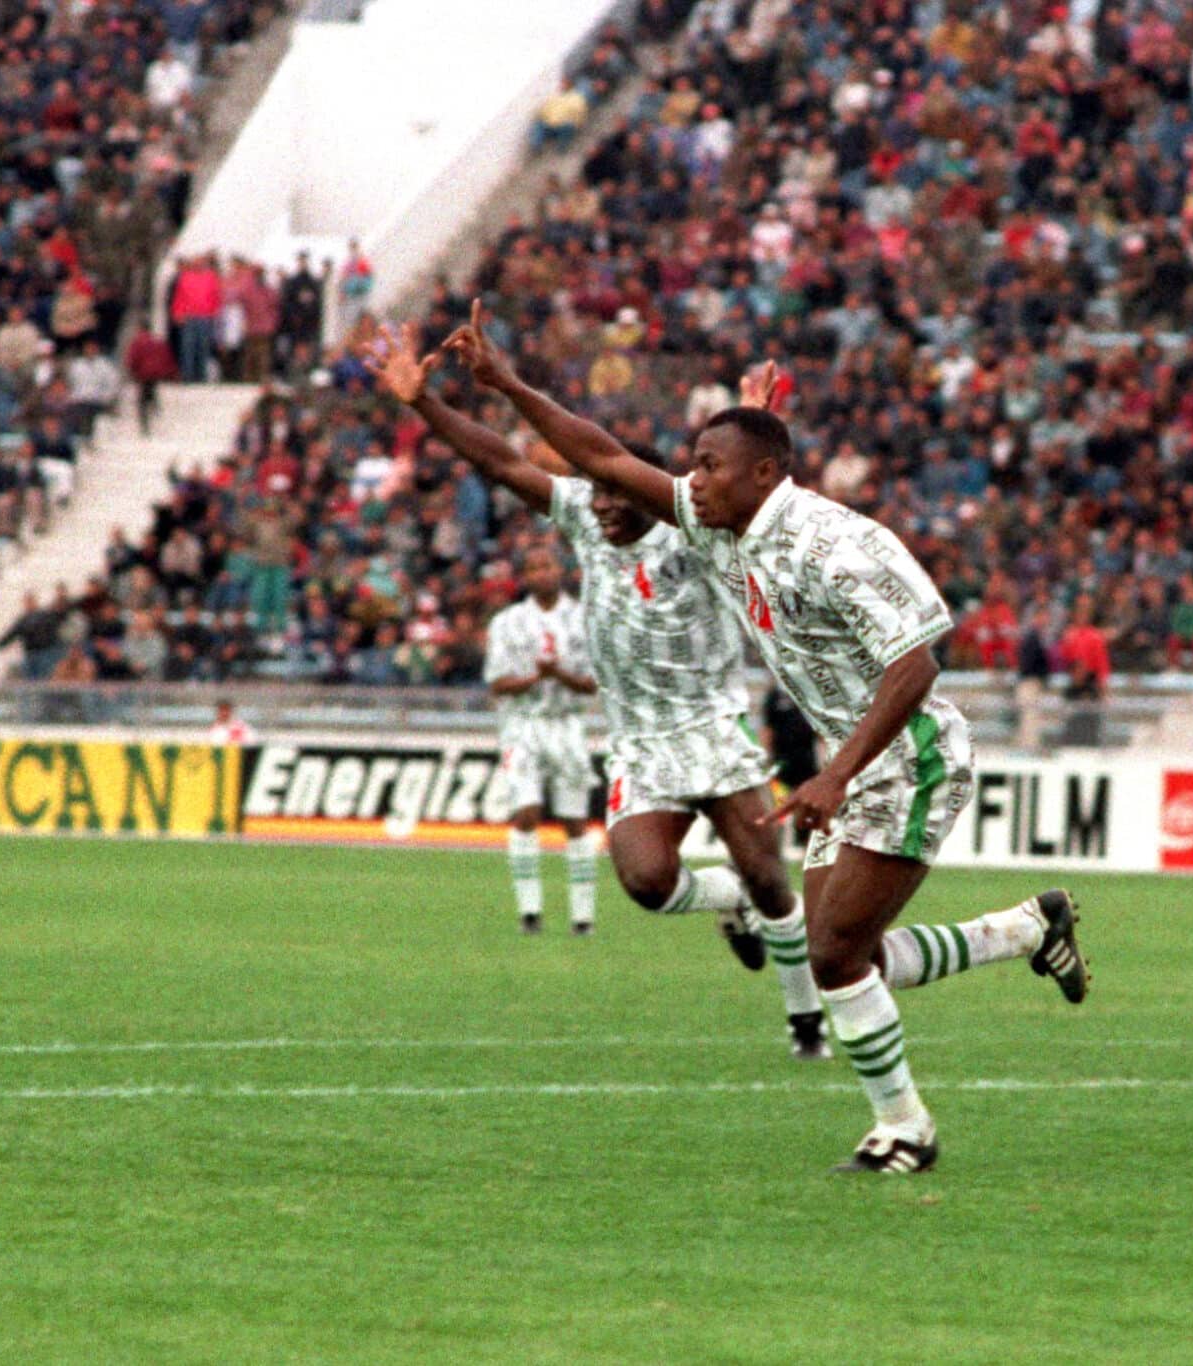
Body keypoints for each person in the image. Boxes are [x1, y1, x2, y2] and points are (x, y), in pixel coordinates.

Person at [447, 306, 1089, 1173]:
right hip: (848, 761)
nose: (693, 481)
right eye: (694, 466)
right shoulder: (721, 526)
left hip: (913, 756)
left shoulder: (836, 543)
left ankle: (906, 1130)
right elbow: (602, 458)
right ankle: (1024, 930)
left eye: (710, 466)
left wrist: (836, 776)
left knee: (831, 955)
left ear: (766, 472)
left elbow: (916, 669)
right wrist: (506, 383)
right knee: (849, 953)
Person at [360, 324, 828, 1057]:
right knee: (646, 881)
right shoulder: (581, 514)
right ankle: (726, 899)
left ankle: (805, 1021)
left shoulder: (695, 524)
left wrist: (765, 429)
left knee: (774, 882)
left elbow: (755, 495)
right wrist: (426, 406)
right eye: (597, 496)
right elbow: (500, 459)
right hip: (639, 739)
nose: (602, 506)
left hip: (714, 724)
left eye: (617, 494)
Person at [483, 544, 601, 936]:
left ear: (560, 570)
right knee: (527, 813)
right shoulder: (508, 622)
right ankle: (530, 912)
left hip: (566, 725)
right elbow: (497, 683)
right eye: (532, 568)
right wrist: (536, 678)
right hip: (523, 726)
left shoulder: (584, 619)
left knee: (574, 819)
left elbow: (593, 684)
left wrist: (559, 675)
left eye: (546, 565)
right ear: (525, 577)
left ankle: (582, 917)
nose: (541, 573)